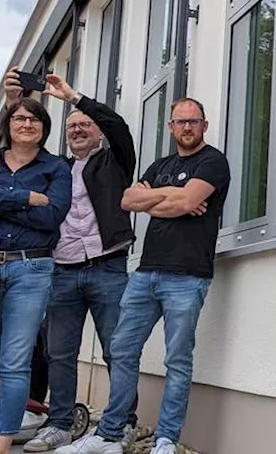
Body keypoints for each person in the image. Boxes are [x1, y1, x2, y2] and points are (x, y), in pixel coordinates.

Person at [59, 98, 229, 454]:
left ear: (204, 125)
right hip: (146, 272)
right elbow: (126, 201)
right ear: (170, 127)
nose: (186, 127)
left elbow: (183, 204)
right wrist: (172, 195)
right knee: (121, 349)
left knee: (177, 359)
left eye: (193, 121)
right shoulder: (161, 164)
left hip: (188, 275)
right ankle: (108, 434)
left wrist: (159, 198)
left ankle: (166, 438)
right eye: (180, 122)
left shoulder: (213, 161)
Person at [10, 72, 139, 452]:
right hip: (62, 270)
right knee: (59, 352)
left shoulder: (115, 161)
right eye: (72, 127)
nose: (79, 129)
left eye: (85, 124)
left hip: (108, 268)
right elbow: (17, 143)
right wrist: (14, 102)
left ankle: (123, 423)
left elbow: (117, 125)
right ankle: (60, 424)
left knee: (118, 349)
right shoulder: (56, 169)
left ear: (98, 132)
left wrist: (73, 98)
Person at [0, 98, 72, 454]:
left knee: (15, 364)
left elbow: (51, 218)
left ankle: (2, 445)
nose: (26, 124)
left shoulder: (56, 167)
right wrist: (26, 198)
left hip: (32, 268)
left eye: (34, 119)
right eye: (19, 118)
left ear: (43, 127)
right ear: (8, 125)